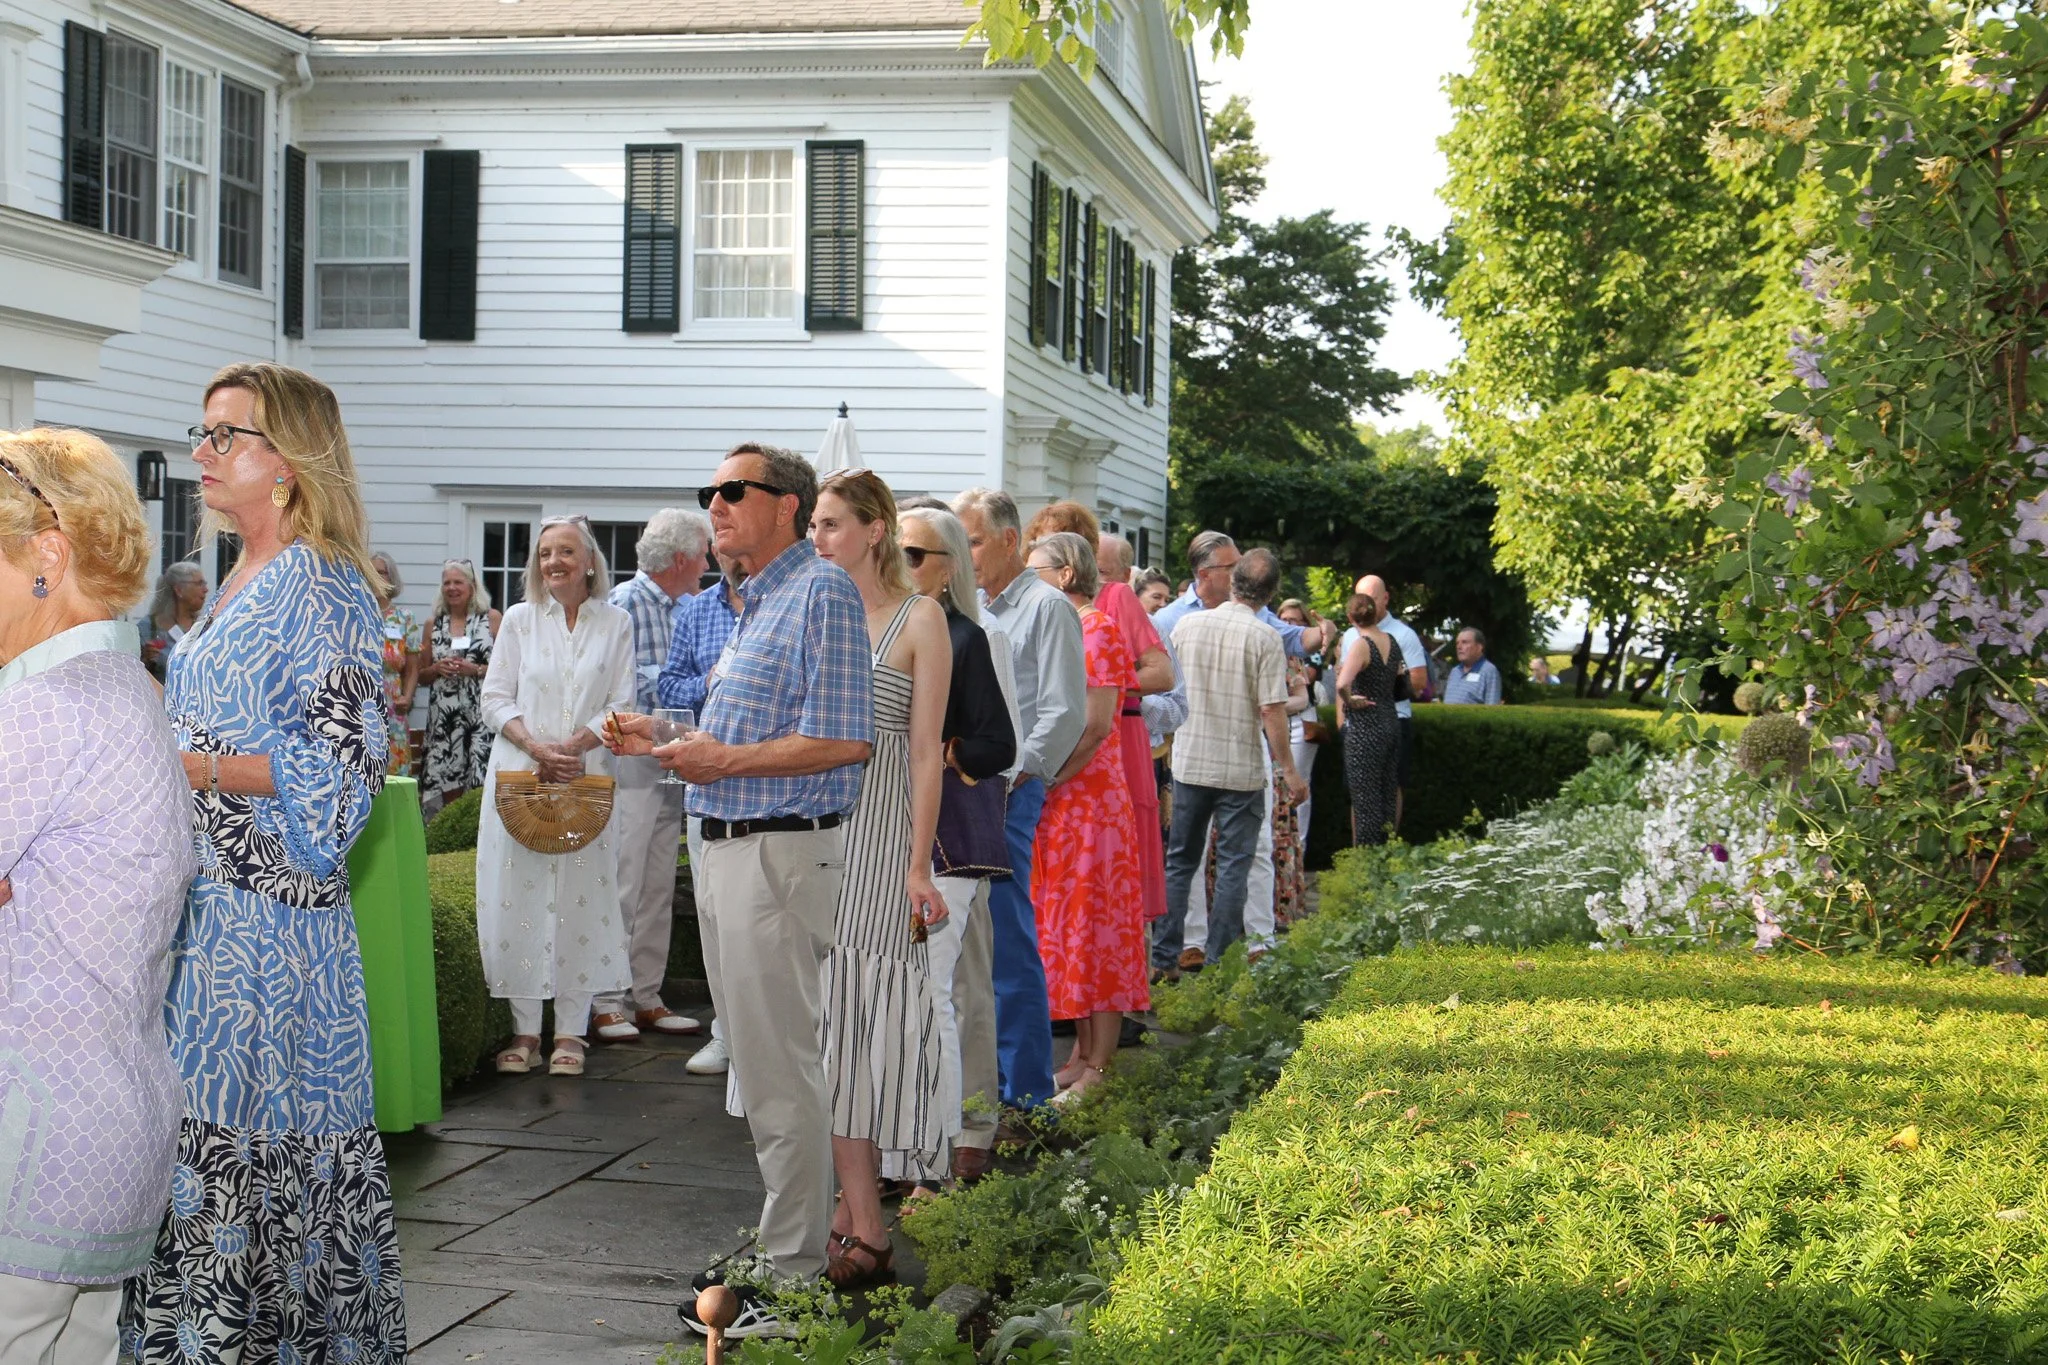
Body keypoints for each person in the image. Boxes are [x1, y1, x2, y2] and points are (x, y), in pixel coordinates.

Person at [124, 362, 407, 1364]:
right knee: (201, 1161)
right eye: (200, 432)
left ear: (287, 462)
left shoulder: (323, 585)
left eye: (225, 435)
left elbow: (342, 780)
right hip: (209, 918)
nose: (201, 453)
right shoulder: (238, 573)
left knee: (248, 1169)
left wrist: (184, 760)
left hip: (268, 931)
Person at [614, 444, 872, 1335]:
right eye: (709, 493)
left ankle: (796, 1272)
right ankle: (783, 1242)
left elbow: (844, 740)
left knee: (780, 1066)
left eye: (734, 490)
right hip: (725, 848)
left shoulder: (823, 591)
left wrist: (721, 758)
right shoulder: (749, 603)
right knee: (759, 1069)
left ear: (789, 504)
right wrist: (665, 733)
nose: (715, 505)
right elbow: (741, 733)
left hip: (778, 856)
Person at [0, 429, 193, 1365]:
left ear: (46, 554)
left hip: (34, 1131)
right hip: (107, 1119)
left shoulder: (46, 707)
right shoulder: (122, 685)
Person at [806, 470, 951, 1287]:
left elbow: (928, 750)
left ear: (873, 529)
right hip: (814, 829)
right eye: (815, 525)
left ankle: (862, 1219)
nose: (818, 538)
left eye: (830, 524)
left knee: (862, 1030)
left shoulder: (919, 616)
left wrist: (916, 861)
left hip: (882, 831)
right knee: (829, 1028)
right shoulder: (812, 614)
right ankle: (854, 1213)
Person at [475, 516, 636, 1078]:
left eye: (565, 551)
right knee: (519, 894)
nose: (554, 563)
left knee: (582, 897)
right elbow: (493, 699)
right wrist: (537, 747)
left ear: (589, 560)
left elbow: (622, 703)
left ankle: (571, 1031)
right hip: (523, 773)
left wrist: (571, 746)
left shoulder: (617, 623)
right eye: (544, 554)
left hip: (584, 776)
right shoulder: (519, 621)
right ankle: (524, 1031)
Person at [950, 488, 1085, 1113]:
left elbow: (1063, 709)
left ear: (1010, 541)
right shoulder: (969, 605)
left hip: (1009, 790)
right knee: (969, 944)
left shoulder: (1046, 607)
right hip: (964, 788)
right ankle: (981, 1088)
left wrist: (1015, 772)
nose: (963, 552)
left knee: (1006, 938)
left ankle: (1026, 1094)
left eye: (972, 540)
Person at [897, 505, 1016, 1188]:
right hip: (885, 834)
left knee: (945, 991)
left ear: (950, 570)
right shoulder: (877, 629)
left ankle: (946, 1147)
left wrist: (940, 754)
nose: (903, 565)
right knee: (898, 996)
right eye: (898, 552)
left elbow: (1007, 742)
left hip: (950, 839)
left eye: (916, 554)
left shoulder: (975, 635)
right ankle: (899, 1148)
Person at [1025, 533, 1148, 1102]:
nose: (1028, 578)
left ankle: (1100, 1064)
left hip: (1090, 803)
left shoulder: (1094, 628)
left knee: (1097, 928)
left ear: (1067, 573)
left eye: (1037, 569)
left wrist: (1043, 777)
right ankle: (1081, 1053)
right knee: (1070, 930)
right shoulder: (1064, 626)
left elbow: (1097, 726)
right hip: (1066, 801)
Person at [1155, 535, 1312, 969]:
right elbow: (1271, 711)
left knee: (1180, 862)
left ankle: (1165, 957)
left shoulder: (1186, 627)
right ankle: (1220, 962)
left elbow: (1169, 691)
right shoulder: (1265, 638)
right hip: (1241, 770)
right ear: (1272, 593)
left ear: (1234, 580)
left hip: (1190, 763)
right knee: (1233, 868)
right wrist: (1290, 772)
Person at [592, 510, 711, 1043]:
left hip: (671, 763)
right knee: (623, 882)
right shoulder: (623, 605)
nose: (708, 564)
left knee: (658, 884)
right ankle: (605, 1001)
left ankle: (645, 995)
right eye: (704, 554)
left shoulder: (684, 608)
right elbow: (612, 694)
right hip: (629, 765)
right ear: (682, 558)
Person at [656, 560, 745, 1078]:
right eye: (723, 542)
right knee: (711, 916)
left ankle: (758, 1042)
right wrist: (709, 680)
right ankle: (725, 1036)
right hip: (704, 787)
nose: (734, 556)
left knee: (754, 926)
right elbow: (669, 690)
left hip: (766, 787)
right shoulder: (694, 613)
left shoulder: (785, 604)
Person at [1091, 530, 1174, 927]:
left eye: (1102, 571)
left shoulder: (1119, 599)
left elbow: (1163, 675)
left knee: (1124, 856)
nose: (1093, 578)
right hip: (1093, 730)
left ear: (1125, 575)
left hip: (1121, 732)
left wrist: (1105, 681)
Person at [1347, 575, 1430, 832]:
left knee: (1389, 787)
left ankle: (1386, 848)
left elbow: (1419, 682)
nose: (1366, 605)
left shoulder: (1404, 635)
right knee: (1358, 789)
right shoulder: (1350, 635)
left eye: (1371, 598)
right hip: (1358, 724)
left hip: (1393, 718)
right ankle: (1361, 855)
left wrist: (1379, 694)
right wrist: (1342, 722)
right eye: (1361, 598)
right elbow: (1343, 679)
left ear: (1385, 599)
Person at [419, 559, 502, 810]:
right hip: (444, 720)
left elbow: (509, 670)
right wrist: (435, 669)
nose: (452, 588)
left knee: (479, 780)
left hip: (480, 717)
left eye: (458, 582)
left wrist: (475, 669)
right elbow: (421, 674)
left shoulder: (492, 619)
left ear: (472, 586)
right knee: (445, 778)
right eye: (447, 583)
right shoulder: (433, 623)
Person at [1337, 593, 1406, 844]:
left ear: (1350, 617)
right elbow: (1399, 679)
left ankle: (1366, 869)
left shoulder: (1361, 644)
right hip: (1390, 721)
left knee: (1365, 802)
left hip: (1365, 728)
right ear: (1376, 612)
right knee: (1387, 796)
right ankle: (1386, 859)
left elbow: (1342, 684)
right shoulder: (1393, 641)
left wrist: (1350, 699)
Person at [1276, 599, 1323, 860]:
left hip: (1299, 720)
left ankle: (1298, 850)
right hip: (1272, 722)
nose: (1288, 625)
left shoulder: (1303, 652)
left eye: (1295, 621)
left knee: (1299, 783)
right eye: (1283, 620)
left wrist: (1271, 706)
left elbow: (1310, 678)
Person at [370, 551, 421, 776]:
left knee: (394, 767)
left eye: (381, 571)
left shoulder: (404, 618)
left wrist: (407, 696)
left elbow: (412, 667)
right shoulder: (357, 612)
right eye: (371, 571)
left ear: (391, 578)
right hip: (363, 700)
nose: (376, 576)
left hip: (393, 703)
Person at [140, 560, 206, 679]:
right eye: (199, 583)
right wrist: (145, 661)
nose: (206, 589)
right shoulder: (149, 627)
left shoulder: (205, 627)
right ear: (179, 590)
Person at [1443, 626, 1503, 705]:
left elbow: (1492, 709)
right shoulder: (1454, 671)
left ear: (1479, 647)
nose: (1459, 647)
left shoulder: (1489, 671)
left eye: (1464, 642)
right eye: (1457, 643)